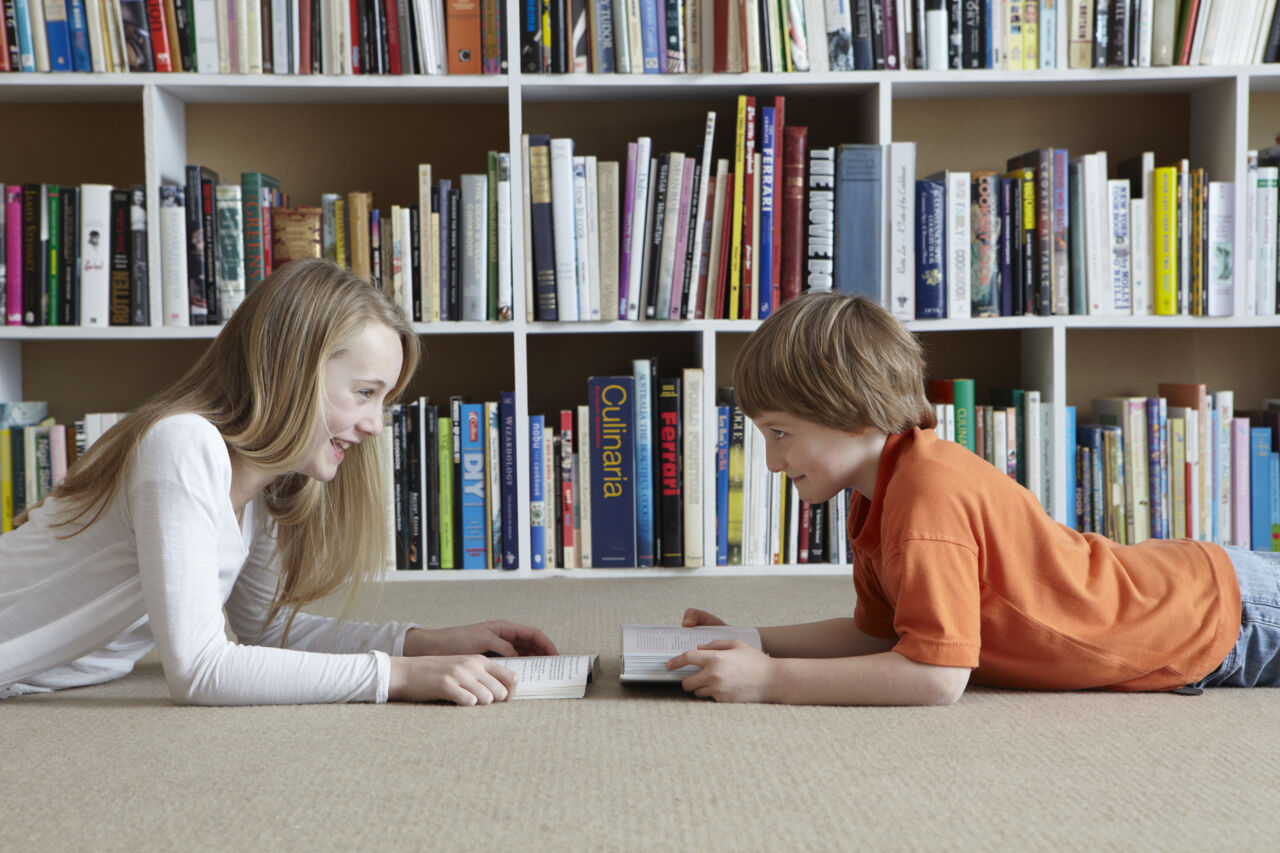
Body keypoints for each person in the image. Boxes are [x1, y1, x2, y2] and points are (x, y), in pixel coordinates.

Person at [667, 292, 1279, 704]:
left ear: (854, 416)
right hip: (1193, 585)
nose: (771, 462)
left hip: (1225, 618)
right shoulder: (877, 488)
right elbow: (884, 636)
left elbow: (936, 677)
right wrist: (753, 638)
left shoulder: (924, 496)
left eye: (781, 434)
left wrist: (771, 679)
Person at [1, 259, 555, 706]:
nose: (374, 424)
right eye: (364, 393)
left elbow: (267, 632)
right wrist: (402, 677)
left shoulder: (263, 484)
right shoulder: (184, 446)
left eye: (383, 401)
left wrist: (427, 644)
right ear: (292, 371)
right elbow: (199, 671)